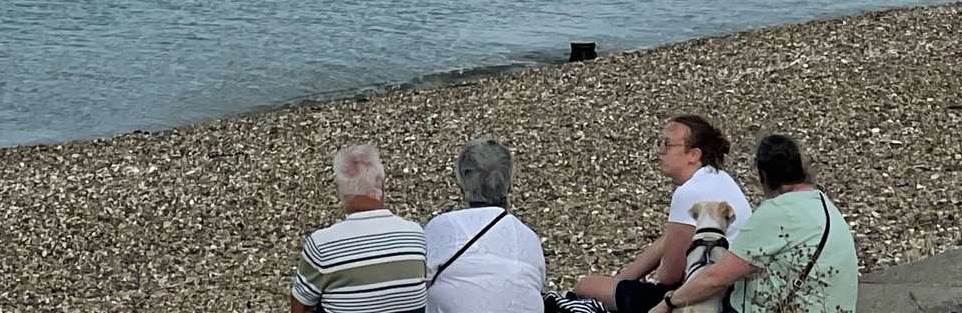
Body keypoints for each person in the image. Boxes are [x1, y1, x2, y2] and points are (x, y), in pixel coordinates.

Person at [642, 134, 859, 313]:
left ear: (763, 175)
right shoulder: (821, 202)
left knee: (696, 298)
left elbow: (714, 278)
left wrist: (668, 302)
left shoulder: (779, 212)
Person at [573, 116, 752, 313]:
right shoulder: (719, 179)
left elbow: (670, 276)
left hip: (701, 299)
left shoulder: (690, 192)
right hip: (736, 292)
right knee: (613, 287)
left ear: (693, 154)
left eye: (667, 145)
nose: (659, 152)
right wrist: (622, 280)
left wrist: (645, 277)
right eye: (659, 143)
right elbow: (669, 239)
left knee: (585, 286)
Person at [291, 143, 428, 313]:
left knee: (310, 291)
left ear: (341, 192)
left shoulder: (322, 244)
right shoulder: (415, 234)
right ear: (382, 186)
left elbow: (301, 305)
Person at [424, 139, 546, 313]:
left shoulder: (443, 226)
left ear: (462, 182)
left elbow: (417, 284)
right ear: (509, 183)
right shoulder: (529, 238)